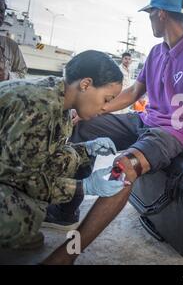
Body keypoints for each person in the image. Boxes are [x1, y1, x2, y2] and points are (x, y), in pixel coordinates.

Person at [43, 0, 183, 264]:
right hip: (142, 120)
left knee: (124, 169)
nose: (149, 18)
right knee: (80, 128)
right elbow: (133, 94)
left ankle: (68, 254)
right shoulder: (155, 52)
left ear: (160, 14)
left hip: (172, 132)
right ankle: (65, 211)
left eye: (150, 13)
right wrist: (94, 109)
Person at [0, 50, 127, 250]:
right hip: (12, 172)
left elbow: (43, 155)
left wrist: (87, 149)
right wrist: (84, 187)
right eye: (106, 99)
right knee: (21, 217)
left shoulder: (57, 97)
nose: (105, 108)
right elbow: (24, 179)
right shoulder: (39, 107)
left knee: (67, 158)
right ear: (85, 84)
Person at [0, 0, 27, 81]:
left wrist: (8, 76)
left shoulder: (12, 46)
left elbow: (22, 74)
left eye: (2, 11)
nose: (0, 14)